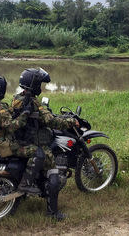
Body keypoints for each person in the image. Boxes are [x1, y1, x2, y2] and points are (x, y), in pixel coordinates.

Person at [11, 67, 79, 221]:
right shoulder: (33, 102)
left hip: (21, 141)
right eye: (40, 85)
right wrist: (70, 121)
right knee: (54, 174)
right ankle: (53, 212)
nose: (41, 88)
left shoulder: (17, 98)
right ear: (34, 85)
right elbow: (51, 121)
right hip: (35, 143)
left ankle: (29, 189)